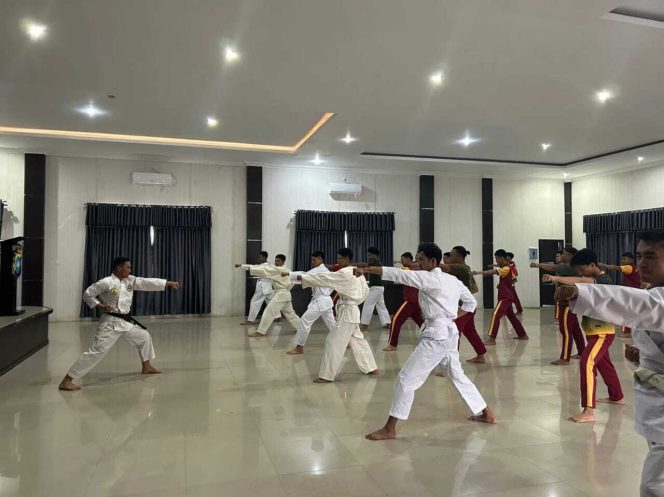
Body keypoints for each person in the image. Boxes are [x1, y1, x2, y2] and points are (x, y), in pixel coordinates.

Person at [556, 230, 664, 497]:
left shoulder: (653, 298)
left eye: (651, 256)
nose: (642, 263)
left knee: (654, 485)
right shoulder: (654, 292)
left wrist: (580, 293)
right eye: (639, 256)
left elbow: (641, 305)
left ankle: (590, 407)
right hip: (655, 402)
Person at [364, 243, 496, 441]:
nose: (418, 262)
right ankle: (487, 413)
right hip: (449, 334)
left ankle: (390, 428)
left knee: (406, 378)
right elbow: (471, 303)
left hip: (437, 336)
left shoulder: (429, 278)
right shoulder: (452, 280)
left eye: (421, 259)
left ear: (433, 261)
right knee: (456, 375)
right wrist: (452, 318)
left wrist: (365, 270)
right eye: (417, 259)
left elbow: (398, 274)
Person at [58, 257, 180, 391]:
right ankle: (67, 380)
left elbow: (146, 283)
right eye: (127, 267)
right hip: (110, 322)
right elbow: (88, 294)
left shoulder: (130, 280)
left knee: (144, 337)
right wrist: (100, 305)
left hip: (124, 321)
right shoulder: (106, 282)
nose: (130, 270)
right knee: (97, 351)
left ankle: (147, 366)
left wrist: (167, 283)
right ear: (118, 268)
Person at [544, 248, 624, 423]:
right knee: (605, 365)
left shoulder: (604, 279)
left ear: (592, 265)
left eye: (582, 269)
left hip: (602, 333)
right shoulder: (594, 281)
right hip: (594, 331)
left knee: (586, 362)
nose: (580, 273)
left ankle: (588, 410)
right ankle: (617, 396)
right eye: (578, 270)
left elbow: (580, 280)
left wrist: (556, 278)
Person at [288, 248, 378, 382]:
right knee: (358, 340)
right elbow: (364, 291)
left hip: (347, 312)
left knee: (332, 342)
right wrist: (353, 301)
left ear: (347, 259)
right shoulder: (358, 273)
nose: (338, 261)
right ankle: (371, 367)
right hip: (352, 310)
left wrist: (302, 277)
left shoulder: (345, 273)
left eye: (340, 259)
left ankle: (326, 376)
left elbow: (325, 279)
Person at [531, 246, 585, 364]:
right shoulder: (573, 267)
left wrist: (537, 265)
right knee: (575, 328)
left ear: (570, 256)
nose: (561, 256)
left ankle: (565, 358)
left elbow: (553, 267)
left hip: (567, 302)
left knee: (565, 329)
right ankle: (582, 352)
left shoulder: (569, 266)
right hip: (571, 301)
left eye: (564, 254)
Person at [236, 254, 300, 338]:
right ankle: (301, 328)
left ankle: (260, 332)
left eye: (278, 261)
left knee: (268, 312)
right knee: (290, 313)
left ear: (283, 262)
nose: (276, 262)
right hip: (285, 294)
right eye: (275, 260)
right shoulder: (287, 269)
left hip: (281, 295)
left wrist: (243, 266)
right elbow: (293, 281)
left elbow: (263, 269)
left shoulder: (278, 270)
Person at [473, 249, 529, 345]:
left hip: (505, 297)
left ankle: (492, 339)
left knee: (495, 314)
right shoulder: (507, 268)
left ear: (502, 258)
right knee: (511, 317)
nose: (496, 261)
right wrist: (503, 285)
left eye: (496, 258)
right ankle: (522, 334)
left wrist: (478, 272)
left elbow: (493, 272)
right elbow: (514, 280)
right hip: (506, 295)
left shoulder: (506, 268)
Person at [286, 251, 336, 355]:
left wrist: (289, 274)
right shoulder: (325, 270)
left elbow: (305, 275)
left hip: (321, 301)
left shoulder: (319, 269)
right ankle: (346, 342)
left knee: (304, 321)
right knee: (332, 324)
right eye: (312, 260)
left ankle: (299, 348)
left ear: (320, 259)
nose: (312, 262)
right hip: (326, 300)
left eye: (314, 259)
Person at [445, 246, 486, 363]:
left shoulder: (460, 267)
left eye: (451, 255)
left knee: (454, 333)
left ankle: (451, 363)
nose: (448, 257)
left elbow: (440, 267)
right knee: (470, 332)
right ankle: (481, 355)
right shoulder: (466, 268)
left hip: (462, 308)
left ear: (458, 257)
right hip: (468, 307)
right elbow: (474, 288)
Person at [383, 252, 424, 352]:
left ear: (409, 259)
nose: (401, 262)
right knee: (422, 323)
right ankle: (431, 340)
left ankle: (392, 344)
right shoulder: (413, 267)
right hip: (416, 301)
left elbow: (402, 270)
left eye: (403, 260)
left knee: (396, 320)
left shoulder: (413, 267)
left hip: (410, 301)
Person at [601, 251, 642, 337]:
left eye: (624, 259)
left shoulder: (629, 267)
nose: (622, 261)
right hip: (636, 293)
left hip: (631, 294)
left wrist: (605, 265)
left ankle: (627, 332)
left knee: (626, 313)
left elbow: (616, 268)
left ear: (631, 259)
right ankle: (632, 331)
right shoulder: (635, 267)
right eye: (622, 259)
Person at [359, 247, 391, 331]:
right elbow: (365, 265)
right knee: (381, 305)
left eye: (370, 255)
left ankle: (364, 325)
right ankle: (387, 323)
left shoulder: (376, 263)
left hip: (377, 288)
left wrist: (351, 265)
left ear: (375, 255)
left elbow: (364, 265)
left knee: (368, 304)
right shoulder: (374, 262)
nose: (368, 257)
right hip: (377, 288)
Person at [240, 251, 273, 325]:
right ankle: (278, 316)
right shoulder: (269, 264)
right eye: (259, 257)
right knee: (271, 302)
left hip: (263, 287)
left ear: (265, 257)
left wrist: (241, 266)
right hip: (267, 287)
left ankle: (250, 320)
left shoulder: (265, 266)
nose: (259, 258)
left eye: (260, 257)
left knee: (254, 302)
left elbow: (253, 267)